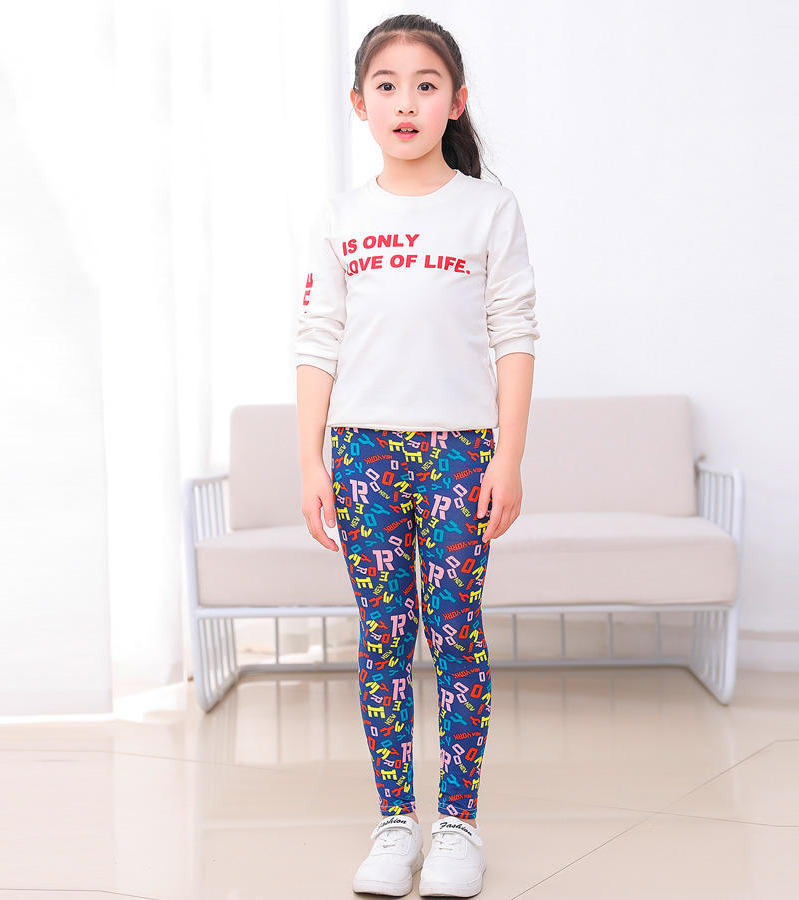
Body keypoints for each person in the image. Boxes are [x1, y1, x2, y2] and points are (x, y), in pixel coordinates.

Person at [295, 13, 539, 898]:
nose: (407, 102)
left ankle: (458, 826)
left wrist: (508, 458)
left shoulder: (488, 211)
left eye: (426, 85)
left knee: (455, 632)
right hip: (362, 453)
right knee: (384, 635)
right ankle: (396, 821)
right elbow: (317, 338)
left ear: (456, 102)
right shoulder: (341, 216)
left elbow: (515, 332)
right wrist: (312, 462)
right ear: (359, 104)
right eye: (388, 85)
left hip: (460, 455)